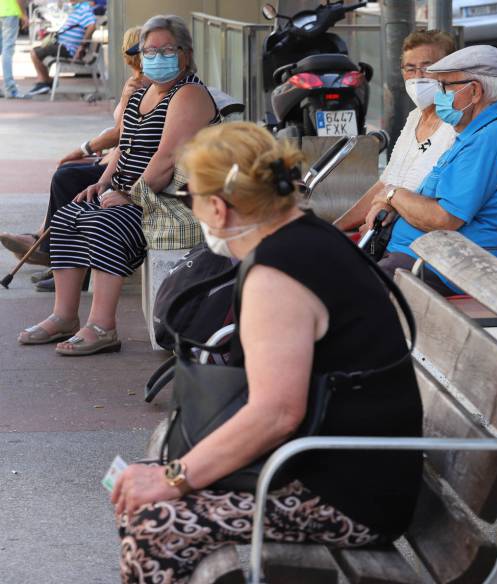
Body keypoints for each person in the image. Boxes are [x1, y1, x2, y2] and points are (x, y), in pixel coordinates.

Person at [111, 122, 423, 583]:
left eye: (189, 198)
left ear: (218, 207)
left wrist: (174, 477)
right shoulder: (305, 237)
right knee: (149, 495)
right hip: (344, 465)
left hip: (346, 493)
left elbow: (276, 414)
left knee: (154, 523)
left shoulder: (277, 275)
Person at [16, 14, 219, 354]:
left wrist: (131, 195)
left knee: (106, 223)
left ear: (185, 54)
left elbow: (166, 158)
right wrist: (102, 183)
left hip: (168, 199)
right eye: (149, 50)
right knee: (68, 216)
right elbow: (124, 148)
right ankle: (64, 316)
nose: (156, 57)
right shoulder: (142, 94)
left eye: (166, 50)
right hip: (132, 190)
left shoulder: (189, 94)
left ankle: (102, 326)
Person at [365, 44, 497, 296]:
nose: (438, 96)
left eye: (445, 87)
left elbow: (444, 219)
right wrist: (393, 200)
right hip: (425, 257)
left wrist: (392, 194)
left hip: (446, 267)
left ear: (474, 91)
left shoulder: (491, 138)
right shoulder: (474, 134)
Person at [0, 25, 145, 278]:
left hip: (128, 168)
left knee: (66, 177)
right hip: (116, 159)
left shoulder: (140, 86)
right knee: (67, 172)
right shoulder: (135, 82)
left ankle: (52, 251)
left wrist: (84, 149)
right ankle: (44, 239)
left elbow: (122, 133)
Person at [334, 30, 456, 232]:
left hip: (416, 239)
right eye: (410, 68)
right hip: (386, 232)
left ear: (449, 70)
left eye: (427, 68)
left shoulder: (456, 127)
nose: (418, 77)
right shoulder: (414, 117)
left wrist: (388, 201)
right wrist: (337, 228)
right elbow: (386, 182)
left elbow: (438, 208)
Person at [26, 0, 97, 97]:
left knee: (34, 53)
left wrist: (82, 46)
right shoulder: (77, 9)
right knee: (39, 50)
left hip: (67, 48)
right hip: (62, 46)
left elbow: (92, 26)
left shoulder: (84, 9)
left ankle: (44, 82)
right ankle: (45, 81)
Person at [0, 0, 26, 98]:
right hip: (10, 12)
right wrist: (23, 15)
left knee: (3, 48)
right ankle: (10, 89)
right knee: (7, 49)